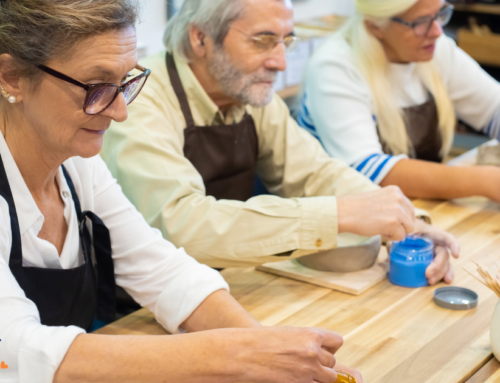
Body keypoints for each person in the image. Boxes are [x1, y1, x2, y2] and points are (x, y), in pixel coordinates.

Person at [0, 1, 363, 382]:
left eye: (126, 82)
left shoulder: (79, 164)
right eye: (97, 86)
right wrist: (237, 355)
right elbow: (14, 351)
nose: (120, 111)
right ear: (11, 76)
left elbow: (163, 272)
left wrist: (267, 347)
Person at [102, 0, 459, 283]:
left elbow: (314, 173)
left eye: (286, 41)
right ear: (200, 38)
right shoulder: (141, 99)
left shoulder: (248, 92)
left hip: (226, 283)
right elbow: (181, 225)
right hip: (138, 308)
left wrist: (406, 222)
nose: (280, 61)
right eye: (262, 41)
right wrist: (339, 214)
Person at [298, 0, 500, 201]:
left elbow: (495, 108)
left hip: (411, 207)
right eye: (420, 22)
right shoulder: (335, 68)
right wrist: (485, 181)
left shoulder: (436, 50)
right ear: (375, 26)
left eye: (440, 14)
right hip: (343, 218)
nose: (437, 31)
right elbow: (368, 173)